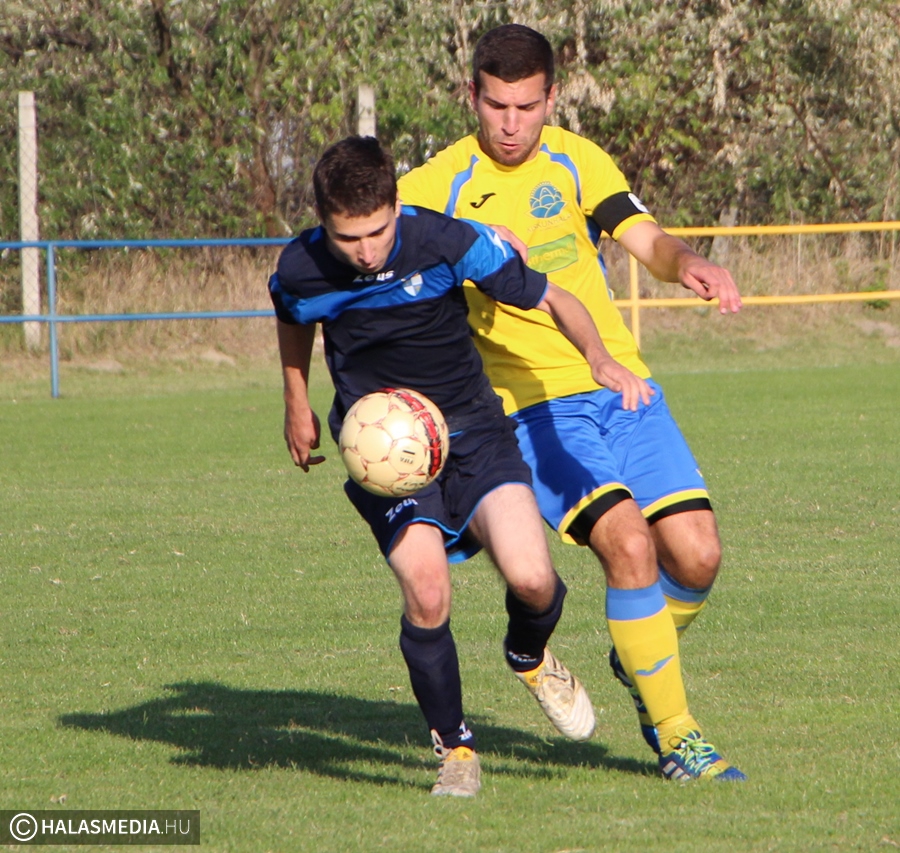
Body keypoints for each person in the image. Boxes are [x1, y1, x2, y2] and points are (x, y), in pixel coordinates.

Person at [398, 23, 747, 782]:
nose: (511, 123)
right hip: (530, 406)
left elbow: (647, 239)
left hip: (623, 386)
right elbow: (369, 244)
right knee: (628, 544)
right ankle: (679, 735)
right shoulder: (436, 184)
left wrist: (689, 262)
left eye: (527, 106)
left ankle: (638, 653)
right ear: (471, 96)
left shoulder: (578, 160)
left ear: (552, 98)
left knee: (698, 555)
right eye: (496, 106)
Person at [268, 135, 652, 797]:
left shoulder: (444, 240)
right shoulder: (301, 267)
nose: (365, 252)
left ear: (397, 206)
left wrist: (598, 357)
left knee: (534, 581)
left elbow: (553, 296)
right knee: (426, 589)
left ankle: (527, 654)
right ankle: (456, 749)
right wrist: (296, 402)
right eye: (347, 238)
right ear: (322, 222)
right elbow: (294, 316)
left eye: (377, 232)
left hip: (474, 431)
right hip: (385, 451)